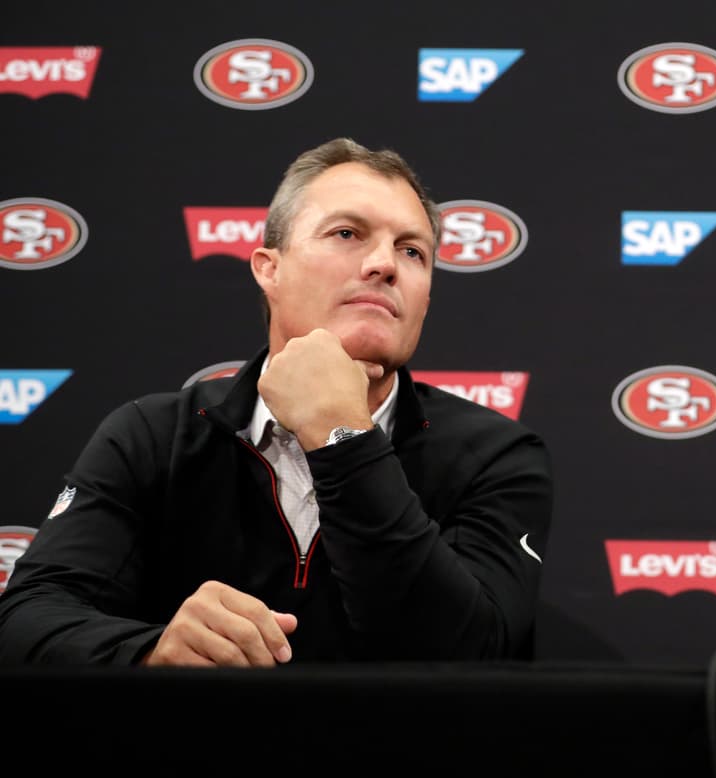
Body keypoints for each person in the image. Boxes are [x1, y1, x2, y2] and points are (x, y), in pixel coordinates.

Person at [0, 138, 554, 666]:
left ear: (425, 297)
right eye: (346, 234)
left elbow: (472, 657)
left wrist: (342, 434)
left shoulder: (495, 456)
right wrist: (151, 651)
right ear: (270, 268)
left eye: (412, 251)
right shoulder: (154, 435)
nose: (385, 264)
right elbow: (25, 620)